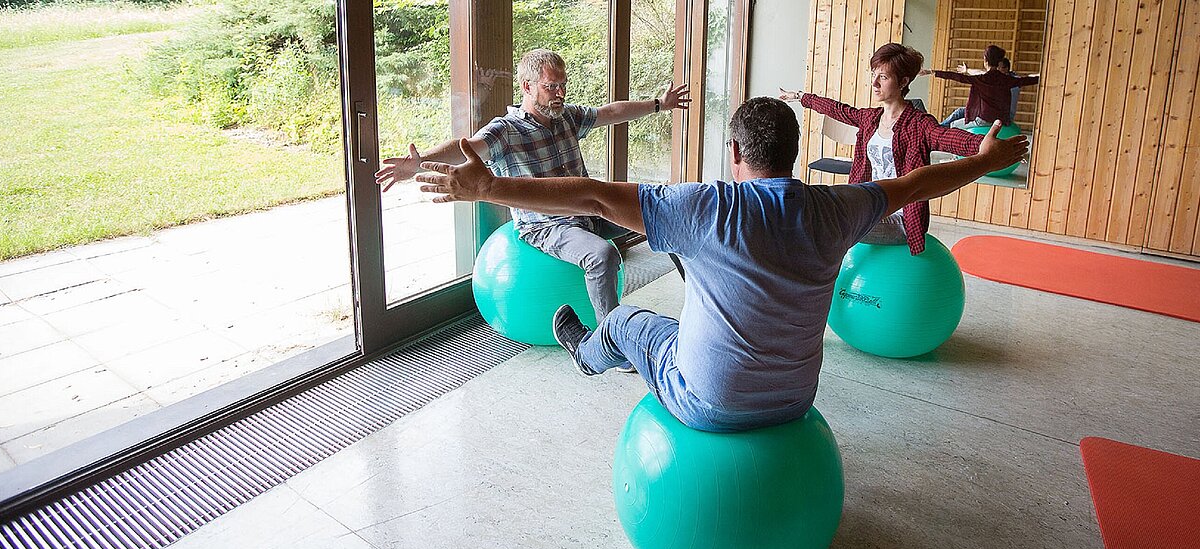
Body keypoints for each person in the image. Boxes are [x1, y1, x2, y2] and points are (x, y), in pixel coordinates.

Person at [414, 97, 1027, 432]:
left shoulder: (706, 207)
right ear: (794, 153)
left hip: (709, 401)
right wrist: (983, 157)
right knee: (690, 298)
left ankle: (588, 354)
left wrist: (487, 187)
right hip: (795, 400)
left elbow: (595, 194)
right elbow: (920, 182)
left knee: (630, 322)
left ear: (734, 153)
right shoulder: (838, 208)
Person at [375, 49, 690, 357]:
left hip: (587, 211)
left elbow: (610, 112)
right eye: (551, 86)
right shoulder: (506, 131)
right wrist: (419, 162)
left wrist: (659, 104)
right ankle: (611, 346)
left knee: (662, 216)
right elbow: (466, 147)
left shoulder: (567, 117)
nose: (560, 93)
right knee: (602, 255)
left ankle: (699, 301)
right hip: (546, 226)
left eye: (563, 85)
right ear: (527, 86)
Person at [778, 43, 985, 255]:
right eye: (873, 75)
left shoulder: (918, 124)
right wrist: (800, 96)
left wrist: (984, 145)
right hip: (869, 206)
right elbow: (837, 109)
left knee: (831, 225)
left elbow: (947, 137)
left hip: (900, 219)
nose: (875, 83)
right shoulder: (870, 119)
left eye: (883, 77)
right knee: (816, 209)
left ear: (903, 81)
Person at [923, 45, 1038, 130]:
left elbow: (956, 77)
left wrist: (932, 72)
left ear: (985, 61)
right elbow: (1027, 80)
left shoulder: (981, 79)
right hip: (1002, 120)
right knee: (959, 114)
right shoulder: (1007, 79)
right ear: (998, 63)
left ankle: (941, 139)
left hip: (984, 121)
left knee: (953, 125)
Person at [938, 56, 1022, 126]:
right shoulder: (1005, 78)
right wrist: (967, 70)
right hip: (995, 113)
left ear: (1005, 69)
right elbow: (981, 73)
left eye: (998, 68)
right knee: (960, 112)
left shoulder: (1007, 81)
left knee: (955, 124)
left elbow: (982, 74)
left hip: (999, 116)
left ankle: (939, 130)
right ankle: (939, 127)